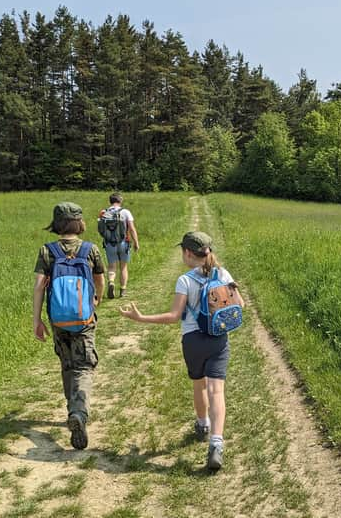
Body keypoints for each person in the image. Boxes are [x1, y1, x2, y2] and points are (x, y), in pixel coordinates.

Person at [119, 232, 243, 471]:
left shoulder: (185, 280)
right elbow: (241, 305)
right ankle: (216, 443)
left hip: (193, 340)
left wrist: (141, 318)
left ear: (188, 253)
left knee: (199, 384)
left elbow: (174, 316)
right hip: (219, 339)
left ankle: (202, 424)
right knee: (217, 390)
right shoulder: (223, 273)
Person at [33, 202, 106, 450]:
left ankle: (71, 409)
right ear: (79, 222)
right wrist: (95, 301)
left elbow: (39, 287)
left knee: (66, 362)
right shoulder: (90, 249)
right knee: (83, 366)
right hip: (84, 318)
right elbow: (100, 281)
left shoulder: (47, 251)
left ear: (57, 224)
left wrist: (37, 320)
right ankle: (79, 412)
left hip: (58, 319)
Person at [98, 193, 139, 299]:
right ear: (120, 201)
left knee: (112, 267)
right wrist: (136, 242)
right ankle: (122, 291)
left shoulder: (104, 212)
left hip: (109, 243)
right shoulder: (125, 212)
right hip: (123, 243)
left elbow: (101, 229)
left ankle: (111, 282)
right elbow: (131, 228)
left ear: (110, 201)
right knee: (123, 267)